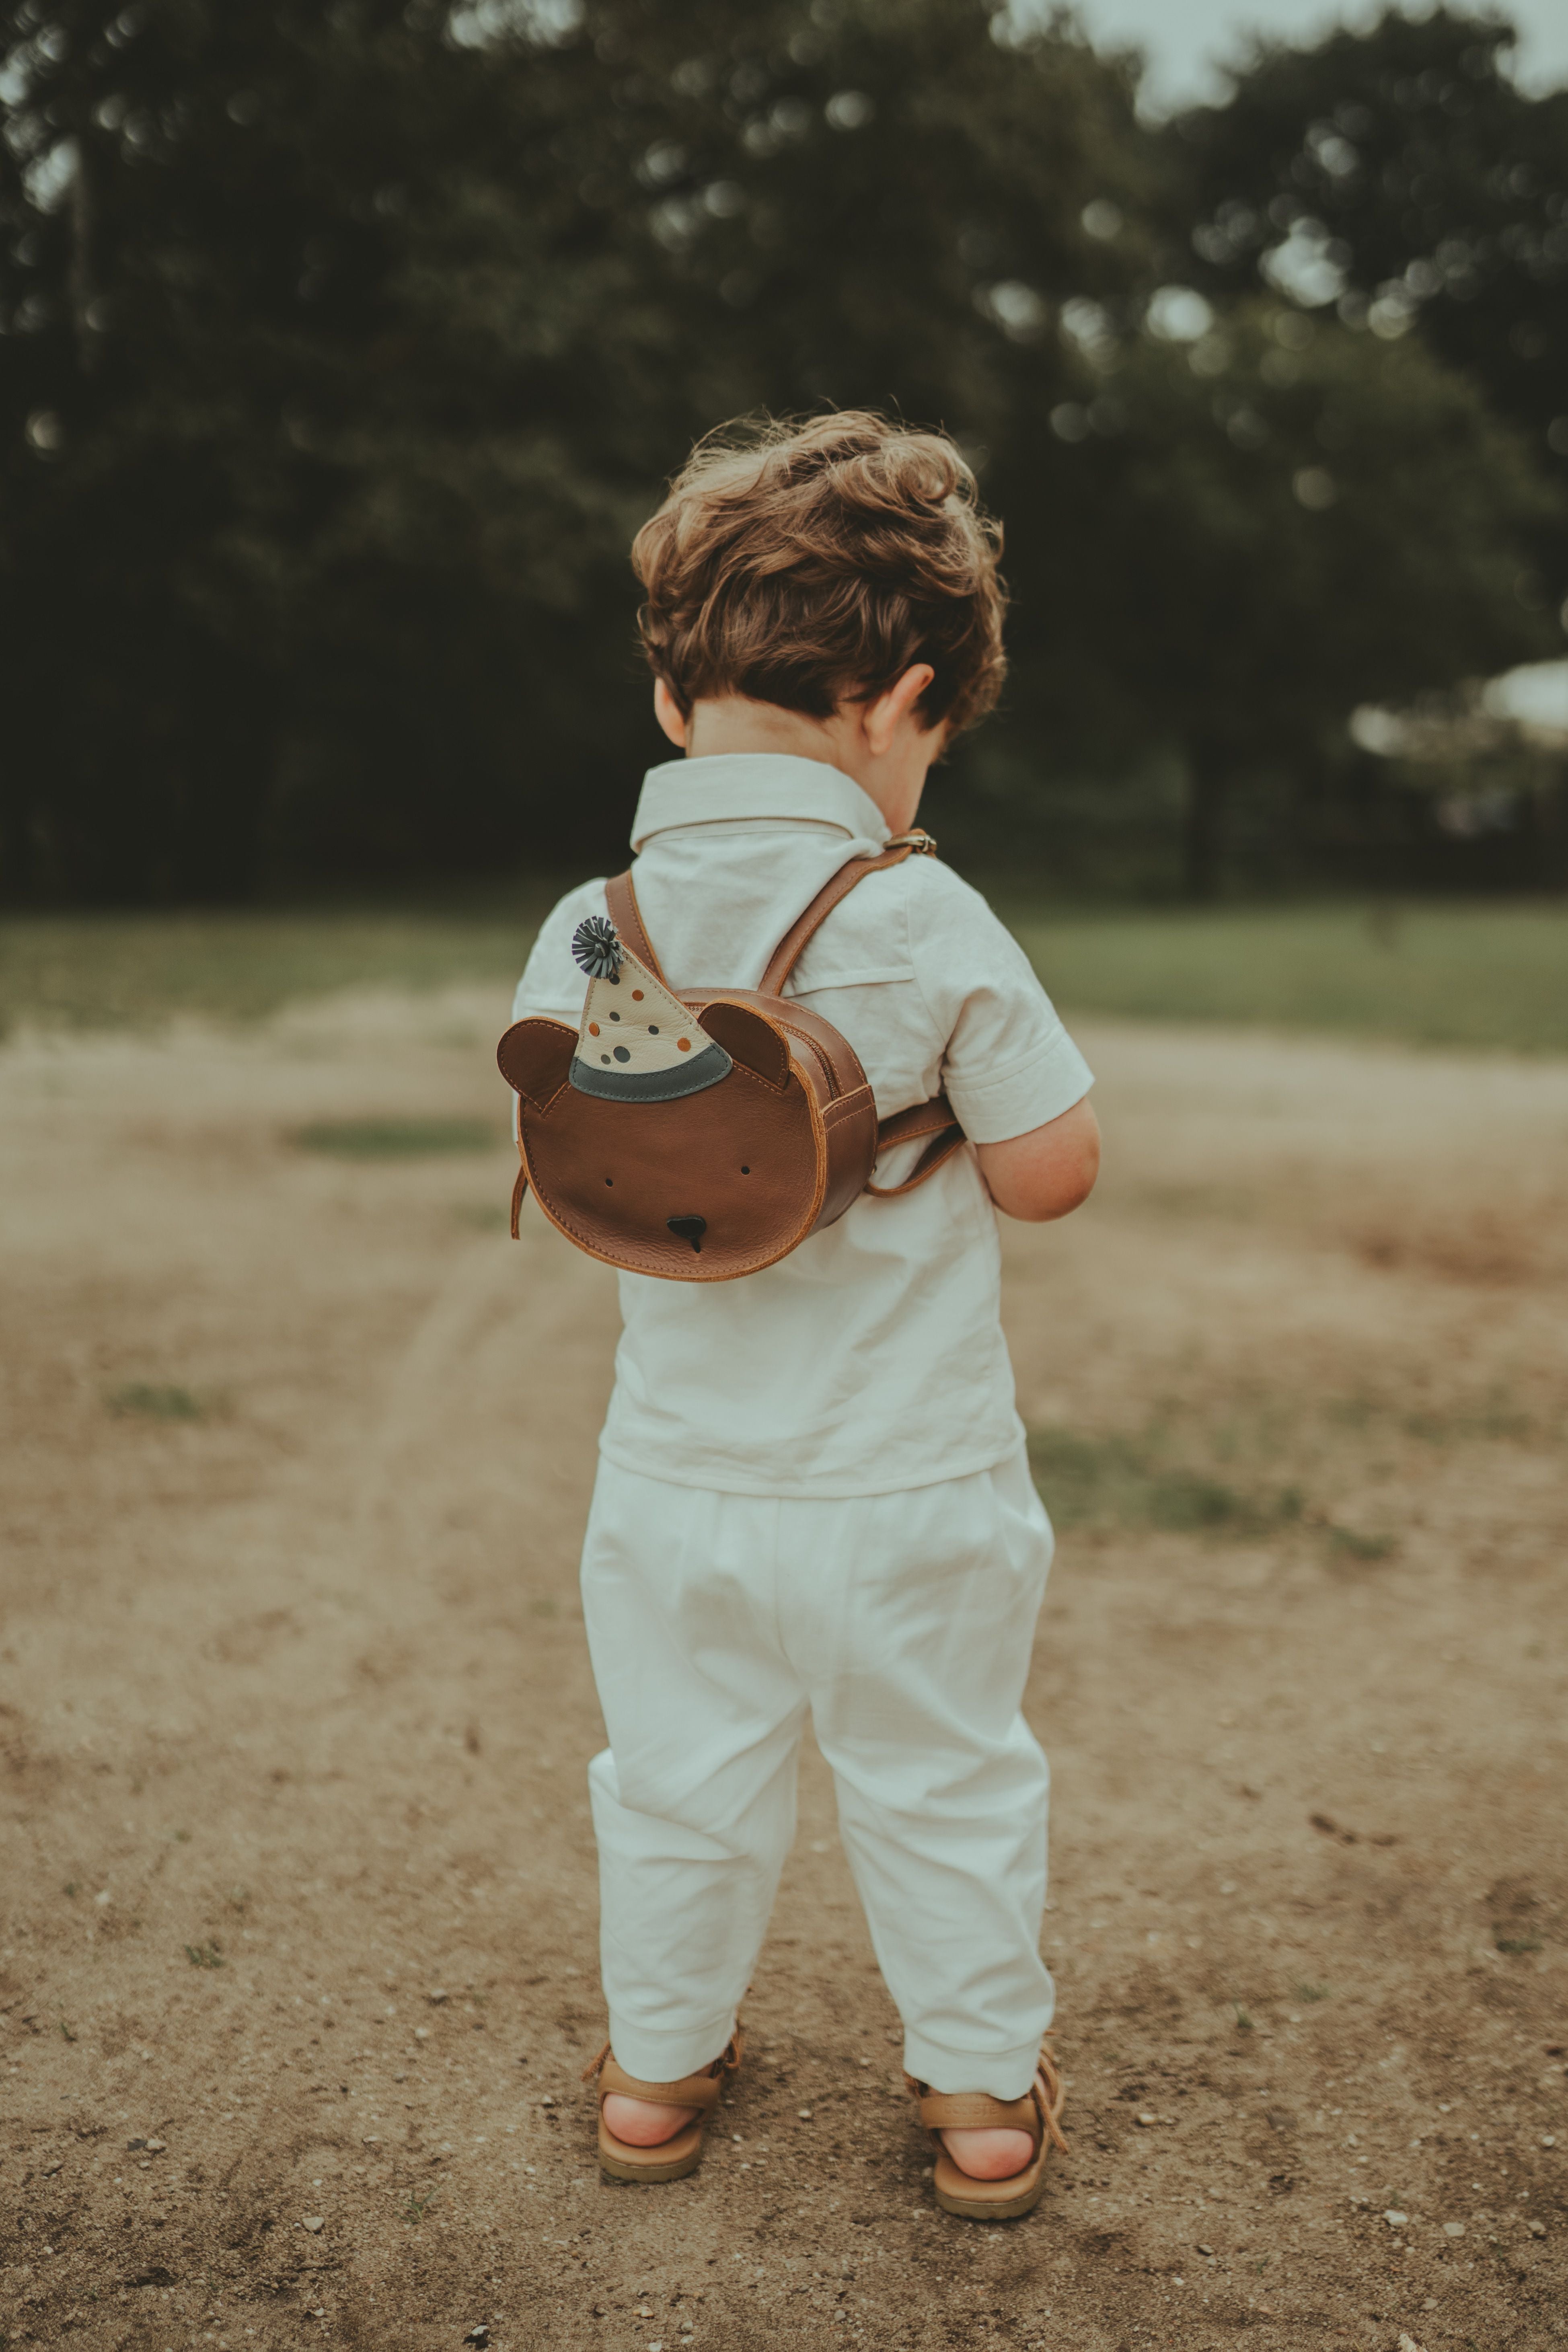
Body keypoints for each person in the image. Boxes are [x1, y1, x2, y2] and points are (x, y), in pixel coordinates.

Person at [509, 409, 1099, 2221]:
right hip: (908, 1479)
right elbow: (1052, 1167)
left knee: (678, 1782)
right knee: (941, 1779)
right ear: (901, 698)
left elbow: (583, 1144)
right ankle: (985, 2102)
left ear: (680, 703)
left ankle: (656, 2074)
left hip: (676, 1483)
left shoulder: (597, 924)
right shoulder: (924, 917)